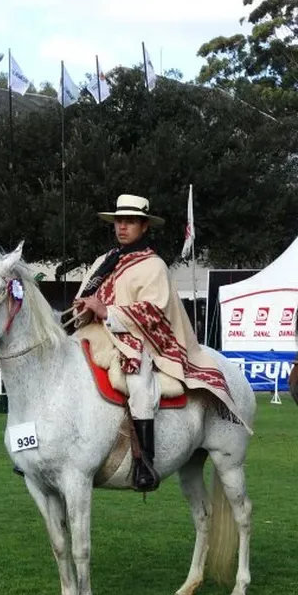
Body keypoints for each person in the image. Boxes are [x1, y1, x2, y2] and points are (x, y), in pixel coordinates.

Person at [70, 193, 250, 492]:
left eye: (129, 221)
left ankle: (144, 462)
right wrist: (84, 306)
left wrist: (108, 311)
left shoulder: (153, 266)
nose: (122, 227)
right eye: (118, 221)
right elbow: (85, 297)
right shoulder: (105, 261)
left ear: (144, 226)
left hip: (141, 342)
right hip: (97, 335)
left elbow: (154, 312)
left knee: (138, 384)